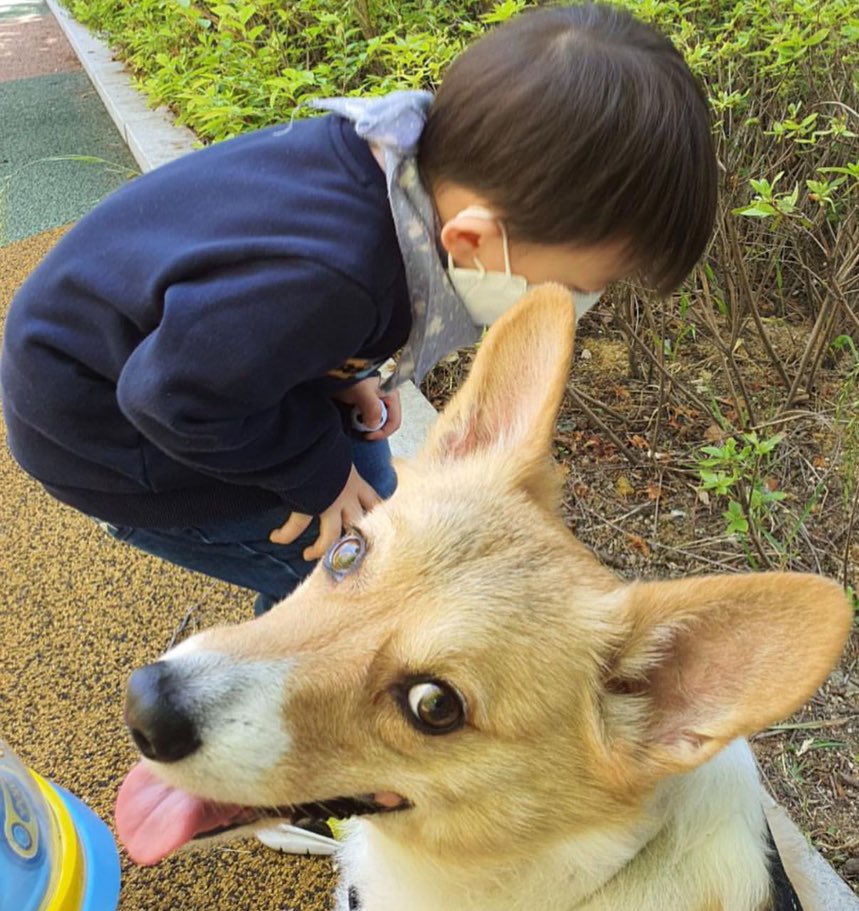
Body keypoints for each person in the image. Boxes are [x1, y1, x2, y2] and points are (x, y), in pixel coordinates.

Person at [2, 5, 715, 630]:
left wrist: (339, 372)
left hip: (183, 357)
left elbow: (249, 324)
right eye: (579, 284)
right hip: (105, 426)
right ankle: (276, 703)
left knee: (371, 504)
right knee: (339, 577)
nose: (584, 304)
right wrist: (315, 476)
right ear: (471, 240)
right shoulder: (330, 279)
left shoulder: (401, 165)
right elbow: (170, 394)